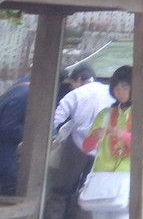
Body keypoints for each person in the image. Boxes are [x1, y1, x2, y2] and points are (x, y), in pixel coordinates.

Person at [46, 63, 114, 219]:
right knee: (88, 195)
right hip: (102, 151)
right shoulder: (110, 93)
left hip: (76, 148)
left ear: (78, 79)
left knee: (60, 191)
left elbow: (54, 121)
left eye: (72, 83)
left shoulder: (76, 94)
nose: (71, 86)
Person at [80, 66, 133, 219]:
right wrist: (95, 136)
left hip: (128, 178)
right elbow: (86, 147)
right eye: (116, 87)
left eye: (125, 87)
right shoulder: (105, 114)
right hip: (101, 177)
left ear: (134, 88)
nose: (120, 92)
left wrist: (123, 135)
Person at [0, 75, 30, 196]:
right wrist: (29, 134)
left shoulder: (20, 86)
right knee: (13, 183)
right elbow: (9, 126)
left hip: (5, 145)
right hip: (4, 147)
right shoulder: (25, 93)